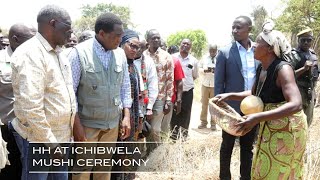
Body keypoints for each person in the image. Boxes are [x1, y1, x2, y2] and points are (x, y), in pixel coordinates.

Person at [214, 20, 307, 179]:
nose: (255, 45)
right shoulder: (261, 68)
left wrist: (258, 117)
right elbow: (253, 93)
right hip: (270, 127)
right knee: (264, 169)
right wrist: (229, 95)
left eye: (259, 42)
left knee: (279, 172)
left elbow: (296, 104)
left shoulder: (283, 69)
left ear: (270, 49)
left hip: (288, 130)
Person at [10, 5, 76, 180]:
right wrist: (51, 144)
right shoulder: (30, 54)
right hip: (41, 141)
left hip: (61, 138)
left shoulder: (59, 53)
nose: (71, 33)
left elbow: (68, 94)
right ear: (52, 23)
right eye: (68, 27)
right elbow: (31, 106)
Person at [69, 12, 132, 180]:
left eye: (121, 36)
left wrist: (126, 116)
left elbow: (125, 86)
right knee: (82, 171)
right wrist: (77, 128)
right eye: (116, 36)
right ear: (102, 33)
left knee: (103, 170)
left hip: (112, 124)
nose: (120, 40)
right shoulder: (78, 54)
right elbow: (70, 95)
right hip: (87, 126)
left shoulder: (119, 54)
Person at [214, 16, 259, 180]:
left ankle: (245, 177)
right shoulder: (225, 53)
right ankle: (224, 176)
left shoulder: (258, 51)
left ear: (249, 29)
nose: (235, 31)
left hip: (253, 108)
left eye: (239, 27)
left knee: (247, 147)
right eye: (233, 27)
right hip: (231, 109)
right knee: (227, 145)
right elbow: (218, 85)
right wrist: (219, 111)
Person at [0, 23, 36, 180]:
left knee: (28, 168)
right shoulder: (1, 60)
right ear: (15, 39)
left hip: (30, 126)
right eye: (29, 40)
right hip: (6, 126)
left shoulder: (34, 59)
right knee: (9, 168)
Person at [111, 29, 142, 180]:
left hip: (131, 118)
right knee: (116, 155)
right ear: (122, 44)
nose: (135, 50)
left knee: (125, 154)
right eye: (132, 46)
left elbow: (137, 94)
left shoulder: (133, 65)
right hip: (117, 119)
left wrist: (138, 118)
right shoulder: (115, 63)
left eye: (138, 47)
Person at [143, 29, 173, 153]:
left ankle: (156, 154)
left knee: (155, 129)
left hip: (160, 98)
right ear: (148, 40)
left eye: (158, 38)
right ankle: (146, 153)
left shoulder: (166, 56)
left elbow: (170, 79)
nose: (156, 40)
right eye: (153, 38)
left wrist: (168, 101)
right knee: (144, 128)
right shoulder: (143, 55)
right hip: (144, 97)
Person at [171, 38, 199, 140]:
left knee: (186, 114)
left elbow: (195, 76)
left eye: (188, 44)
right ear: (180, 44)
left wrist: (186, 84)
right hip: (174, 92)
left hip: (187, 92)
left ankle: (183, 136)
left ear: (190, 47)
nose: (186, 45)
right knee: (174, 113)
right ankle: (173, 136)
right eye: (184, 43)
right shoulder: (172, 57)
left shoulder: (194, 60)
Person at [291, 27, 318, 126]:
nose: (306, 43)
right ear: (298, 41)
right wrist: (303, 68)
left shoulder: (313, 55)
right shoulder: (293, 55)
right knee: (297, 122)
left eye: (309, 40)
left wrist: (314, 93)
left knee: (308, 121)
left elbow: (315, 75)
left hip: (310, 92)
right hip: (297, 92)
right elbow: (287, 77)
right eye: (303, 40)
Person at [161, 43, 185, 137]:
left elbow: (179, 82)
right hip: (151, 100)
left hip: (169, 99)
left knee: (165, 127)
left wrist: (178, 100)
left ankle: (161, 149)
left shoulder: (174, 61)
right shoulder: (148, 60)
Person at [198, 44, 218, 131]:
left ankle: (213, 124)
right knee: (204, 104)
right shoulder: (204, 58)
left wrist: (216, 70)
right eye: (211, 51)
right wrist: (205, 70)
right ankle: (203, 122)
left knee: (214, 105)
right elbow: (199, 68)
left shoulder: (220, 58)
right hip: (205, 84)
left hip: (215, 85)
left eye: (214, 51)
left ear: (216, 50)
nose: (212, 52)